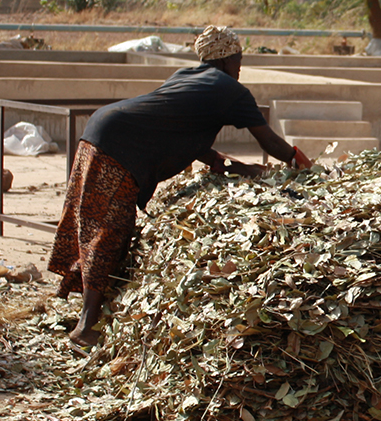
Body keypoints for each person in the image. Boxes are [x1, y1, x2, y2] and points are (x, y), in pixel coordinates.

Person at [49, 25, 311, 344]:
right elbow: (268, 140)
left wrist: (231, 165)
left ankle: (88, 315)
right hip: (119, 146)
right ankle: (86, 327)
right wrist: (297, 158)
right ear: (227, 59)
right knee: (109, 232)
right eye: (239, 60)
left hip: (100, 130)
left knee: (90, 222)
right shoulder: (230, 89)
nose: (240, 67)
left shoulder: (184, 76)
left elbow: (184, 137)